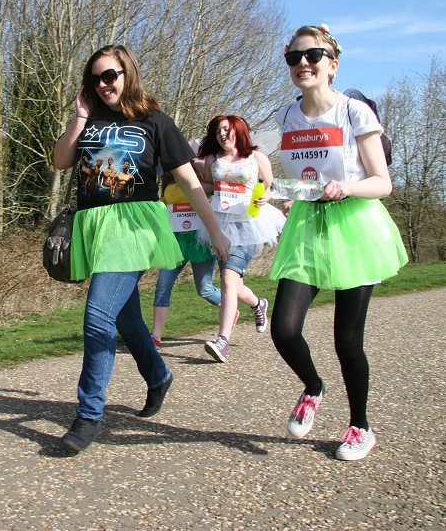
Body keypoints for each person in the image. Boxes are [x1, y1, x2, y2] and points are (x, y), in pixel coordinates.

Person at [54, 44, 230, 452]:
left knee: (98, 316)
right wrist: (79, 118)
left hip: (133, 226)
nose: (103, 84)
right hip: (94, 227)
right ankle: (159, 376)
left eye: (110, 75)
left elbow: (188, 181)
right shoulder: (90, 118)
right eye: (95, 78)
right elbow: (61, 161)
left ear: (127, 74)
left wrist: (215, 231)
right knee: (127, 320)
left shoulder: (154, 121)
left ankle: (88, 416)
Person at [269, 24, 408, 460]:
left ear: (333, 65)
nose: (303, 63)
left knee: (347, 339)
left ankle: (360, 425)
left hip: (354, 226)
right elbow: (295, 176)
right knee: (284, 329)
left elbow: (382, 183)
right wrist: (284, 196)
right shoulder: (284, 117)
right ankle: (313, 387)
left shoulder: (354, 113)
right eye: (294, 57)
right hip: (308, 227)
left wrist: (346, 186)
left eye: (313, 55)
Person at [198, 115, 286, 363]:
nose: (222, 135)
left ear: (238, 130)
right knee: (233, 284)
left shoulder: (256, 157)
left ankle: (222, 341)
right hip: (220, 224)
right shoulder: (211, 160)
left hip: (249, 224)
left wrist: (266, 196)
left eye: (226, 130)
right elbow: (208, 185)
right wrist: (188, 186)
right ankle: (258, 304)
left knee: (228, 279)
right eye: (217, 132)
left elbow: (272, 186)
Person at [151, 146, 226, 350]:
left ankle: (230, 309)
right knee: (162, 287)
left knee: (204, 290)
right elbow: (165, 205)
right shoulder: (166, 179)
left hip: (199, 240)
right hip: (175, 241)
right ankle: (156, 336)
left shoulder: (198, 175)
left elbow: (218, 185)